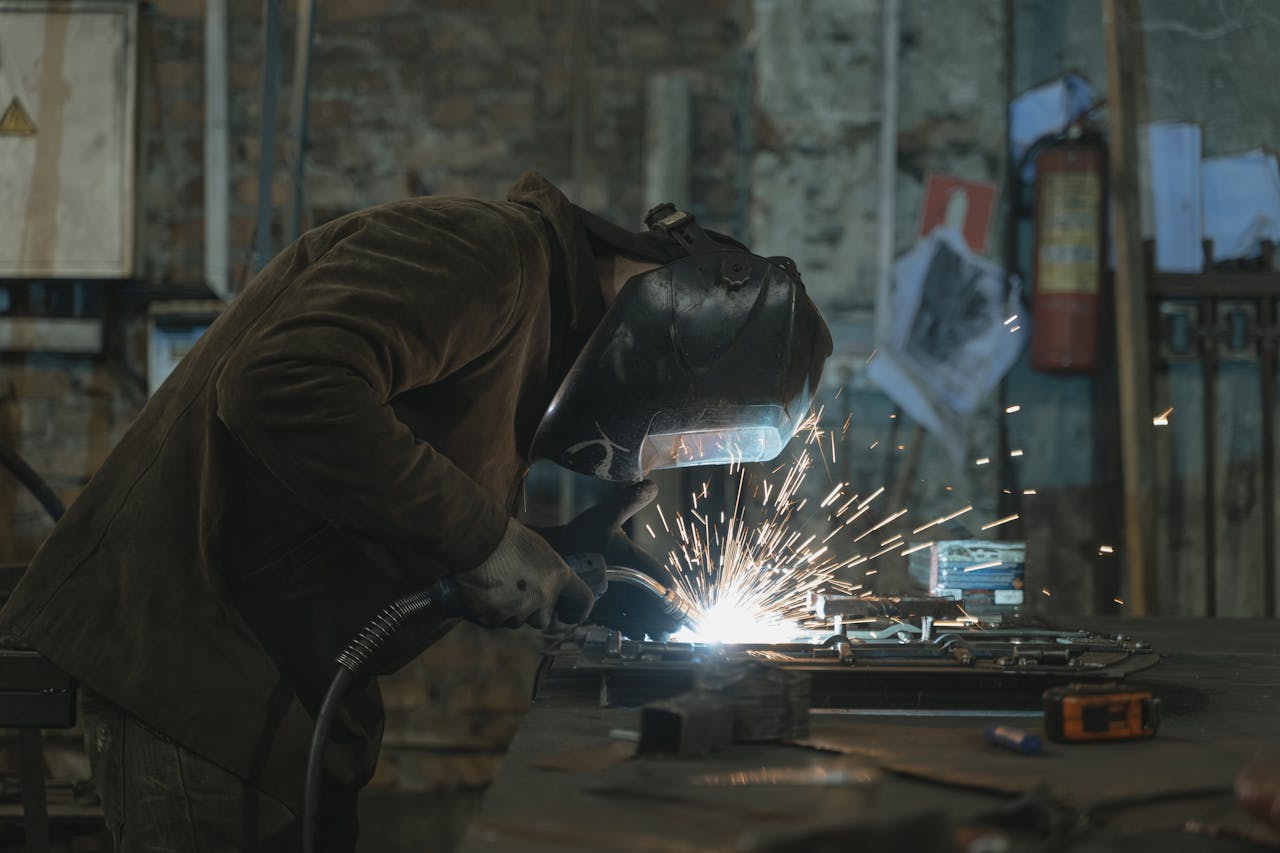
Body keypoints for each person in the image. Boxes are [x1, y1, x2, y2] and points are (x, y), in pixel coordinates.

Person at [0, 171, 831, 851]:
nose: (652, 451)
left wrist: (552, 549)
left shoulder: (538, 340)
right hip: (195, 668)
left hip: (282, 694)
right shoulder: (486, 256)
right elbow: (281, 384)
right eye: (682, 425)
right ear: (680, 318)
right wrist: (480, 537)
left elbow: (389, 488)